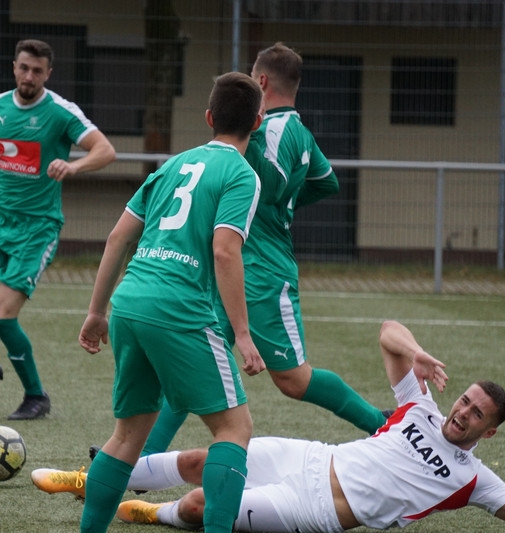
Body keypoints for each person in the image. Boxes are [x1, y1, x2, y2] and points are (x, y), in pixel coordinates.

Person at [36, 320, 505, 533]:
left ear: (488, 433)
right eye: (464, 400)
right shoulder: (418, 406)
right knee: (205, 457)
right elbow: (388, 332)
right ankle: (90, 481)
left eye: (475, 415)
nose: (461, 413)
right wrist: (418, 353)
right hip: (308, 456)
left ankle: (149, 514)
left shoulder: (471, 480)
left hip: (314, 510)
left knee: (199, 506)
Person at [63, 71, 271, 533]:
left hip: (131, 302)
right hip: (179, 310)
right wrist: (243, 333)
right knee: (234, 428)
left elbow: (117, 238)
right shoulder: (243, 175)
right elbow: (226, 249)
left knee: (129, 433)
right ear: (258, 122)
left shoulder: (173, 165)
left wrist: (96, 311)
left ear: (208, 118)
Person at [138, 42, 386, 458]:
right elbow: (325, 182)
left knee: (294, 379)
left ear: (262, 81)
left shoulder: (272, 130)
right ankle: (143, 460)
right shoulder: (298, 133)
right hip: (234, 263)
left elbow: (268, 185)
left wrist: (272, 196)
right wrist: (287, 203)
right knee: (192, 359)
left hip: (263, 269)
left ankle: (384, 425)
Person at [0, 39, 116, 420]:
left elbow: (105, 150)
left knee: (2, 315)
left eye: (38, 71)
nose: (29, 76)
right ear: (14, 67)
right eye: (24, 68)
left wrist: (74, 167)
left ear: (48, 74)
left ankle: (36, 395)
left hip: (38, 229)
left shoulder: (60, 112)